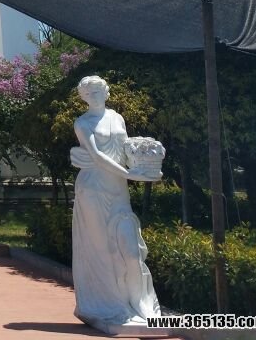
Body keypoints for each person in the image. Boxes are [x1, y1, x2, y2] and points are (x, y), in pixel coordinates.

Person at [70, 75, 162, 329]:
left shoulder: (117, 118)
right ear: (83, 97)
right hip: (93, 189)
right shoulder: (82, 123)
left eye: (97, 91)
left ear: (106, 93)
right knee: (103, 250)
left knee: (131, 252)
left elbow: (125, 150)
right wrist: (131, 175)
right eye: (88, 93)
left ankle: (141, 304)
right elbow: (97, 157)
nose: (93, 96)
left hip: (118, 190)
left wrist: (144, 164)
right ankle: (110, 307)